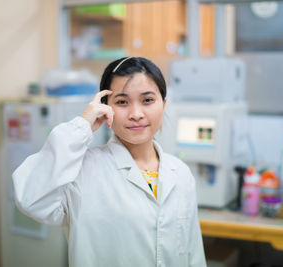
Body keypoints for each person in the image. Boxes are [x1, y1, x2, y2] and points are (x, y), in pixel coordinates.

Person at [13, 57, 207, 267]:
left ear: (164, 104)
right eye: (122, 102)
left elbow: (193, 252)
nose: (136, 114)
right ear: (105, 109)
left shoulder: (180, 173)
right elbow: (30, 198)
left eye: (148, 100)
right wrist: (82, 126)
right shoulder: (81, 171)